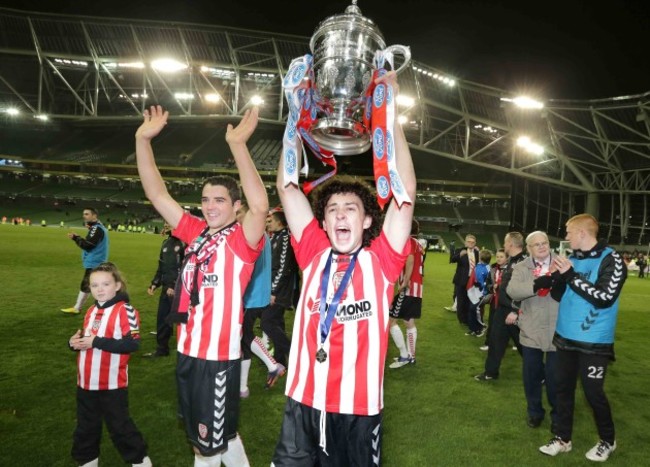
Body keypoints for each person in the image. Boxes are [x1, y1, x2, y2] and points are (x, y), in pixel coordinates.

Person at [271, 71, 416, 466]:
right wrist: (295, 111)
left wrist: (390, 113)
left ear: (367, 220)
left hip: (358, 409)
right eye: (332, 209)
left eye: (350, 208)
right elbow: (286, 187)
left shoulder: (381, 261)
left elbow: (405, 193)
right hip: (302, 400)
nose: (339, 214)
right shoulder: (313, 250)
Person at [135, 105, 268, 467]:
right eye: (206, 199)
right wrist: (142, 140)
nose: (210, 206)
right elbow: (157, 195)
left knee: (205, 448)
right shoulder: (195, 233)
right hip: (189, 353)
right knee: (223, 437)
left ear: (235, 206)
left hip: (216, 360)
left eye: (220, 200)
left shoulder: (240, 241)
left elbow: (260, 207)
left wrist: (238, 145)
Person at [539, 214, 627, 462]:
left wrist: (569, 276)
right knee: (561, 389)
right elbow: (561, 290)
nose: (565, 237)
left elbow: (603, 297)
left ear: (581, 233)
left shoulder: (612, 259)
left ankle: (608, 441)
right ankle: (562, 438)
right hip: (565, 337)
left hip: (594, 342)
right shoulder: (573, 259)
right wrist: (548, 278)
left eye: (568, 232)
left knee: (593, 394)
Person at [68, 262, 152, 467]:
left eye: (105, 284)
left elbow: (132, 344)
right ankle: (87, 461)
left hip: (111, 385)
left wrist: (96, 342)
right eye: (94, 285)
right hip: (86, 383)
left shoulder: (125, 310)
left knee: (120, 428)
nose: (99, 289)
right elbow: (86, 340)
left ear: (117, 285)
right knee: (86, 428)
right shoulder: (90, 311)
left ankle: (141, 462)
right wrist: (74, 343)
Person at [506, 231, 560, 429]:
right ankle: (535, 412)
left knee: (556, 379)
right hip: (530, 329)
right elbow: (512, 291)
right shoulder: (521, 267)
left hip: (558, 329)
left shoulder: (562, 263)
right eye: (536, 244)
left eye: (544, 242)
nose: (542, 246)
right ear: (529, 248)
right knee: (532, 377)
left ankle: (558, 416)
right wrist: (537, 284)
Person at [237, 204, 285, 398]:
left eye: (239, 213)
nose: (236, 216)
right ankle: (242, 388)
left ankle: (273, 365)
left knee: (244, 335)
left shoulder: (251, 234)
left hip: (251, 296)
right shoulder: (260, 233)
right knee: (243, 339)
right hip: (256, 295)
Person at [475, 232, 526, 381]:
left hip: (514, 310)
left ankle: (540, 374)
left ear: (510, 243)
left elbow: (526, 289)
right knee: (495, 340)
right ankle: (491, 372)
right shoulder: (511, 261)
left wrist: (516, 310)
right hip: (502, 308)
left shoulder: (524, 262)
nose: (504, 246)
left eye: (505, 243)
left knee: (524, 345)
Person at [260, 210, 297, 380]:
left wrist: (273, 291)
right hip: (275, 289)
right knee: (277, 324)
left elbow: (282, 268)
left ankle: (293, 353)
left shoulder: (284, 239)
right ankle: (282, 362)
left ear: (280, 222)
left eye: (271, 221)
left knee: (267, 322)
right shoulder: (275, 237)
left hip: (280, 291)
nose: (268, 223)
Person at [389, 219, 426, 368]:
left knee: (391, 321)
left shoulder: (409, 242)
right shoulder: (417, 243)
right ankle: (410, 356)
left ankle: (405, 355)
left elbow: (410, 260)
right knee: (408, 321)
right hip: (416, 288)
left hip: (409, 288)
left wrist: (405, 281)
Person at [144, 223, 184, 358]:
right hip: (167, 288)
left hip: (180, 290)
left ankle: (187, 350)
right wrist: (155, 283)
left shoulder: (186, 243)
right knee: (163, 318)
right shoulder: (166, 243)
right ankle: (162, 348)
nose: (166, 225)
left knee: (183, 320)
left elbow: (186, 268)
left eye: (169, 223)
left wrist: (174, 285)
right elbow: (162, 267)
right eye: (165, 223)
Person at [62, 208, 110, 315]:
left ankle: (79, 308)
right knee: (91, 285)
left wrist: (76, 238)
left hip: (95, 262)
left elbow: (88, 245)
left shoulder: (96, 229)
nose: (84, 216)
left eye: (87, 214)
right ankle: (79, 307)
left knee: (90, 285)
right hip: (97, 261)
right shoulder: (98, 228)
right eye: (84, 214)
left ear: (94, 216)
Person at [479, 248, 508, 351]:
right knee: (492, 322)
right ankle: (488, 343)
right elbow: (487, 284)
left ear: (507, 258)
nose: (499, 259)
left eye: (501, 257)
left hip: (506, 302)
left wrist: (502, 287)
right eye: (497, 256)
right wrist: (492, 287)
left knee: (506, 325)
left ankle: (508, 343)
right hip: (494, 301)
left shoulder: (511, 270)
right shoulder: (493, 268)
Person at [450, 234, 480, 327]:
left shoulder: (477, 252)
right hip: (461, 279)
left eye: (472, 242)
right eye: (469, 242)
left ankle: (468, 318)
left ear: (475, 243)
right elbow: (452, 259)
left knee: (469, 299)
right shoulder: (461, 250)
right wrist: (459, 255)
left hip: (472, 280)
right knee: (461, 300)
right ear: (465, 242)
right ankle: (462, 319)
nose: (470, 243)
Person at [465, 249, 491, 337]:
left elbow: (488, 282)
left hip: (481, 294)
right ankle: (473, 329)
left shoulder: (488, 268)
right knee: (471, 310)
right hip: (475, 292)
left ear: (481, 257)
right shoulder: (478, 266)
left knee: (475, 310)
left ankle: (481, 326)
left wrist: (483, 290)